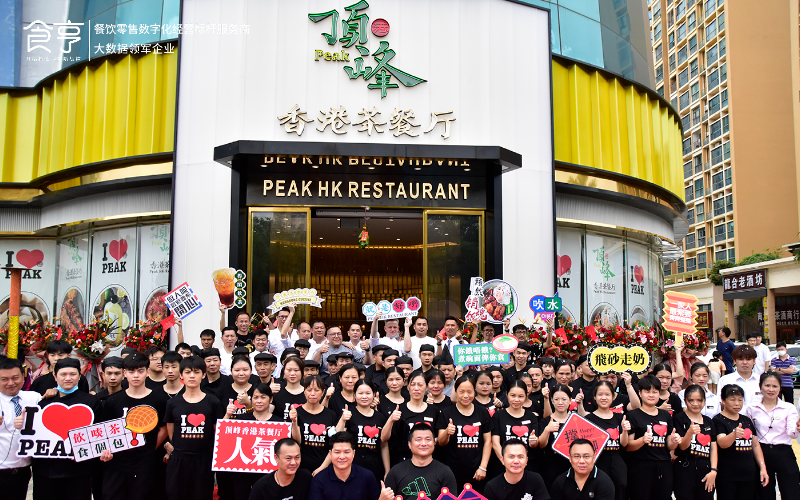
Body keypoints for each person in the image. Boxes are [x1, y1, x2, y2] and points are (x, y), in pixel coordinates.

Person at [28, 358, 100, 500]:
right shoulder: (43, 403)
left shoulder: (91, 402)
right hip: (45, 471)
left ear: (80, 376)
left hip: (79, 471)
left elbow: (97, 435)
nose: (68, 378)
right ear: (55, 376)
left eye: (73, 374)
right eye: (63, 374)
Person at [99, 352, 169, 500]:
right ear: (125, 374)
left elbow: (164, 427)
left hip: (145, 464)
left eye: (140, 371)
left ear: (148, 372)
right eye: (131, 371)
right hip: (117, 463)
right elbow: (105, 430)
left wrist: (149, 446)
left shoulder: (159, 399)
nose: (136, 375)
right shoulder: (113, 401)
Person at [163, 356, 224, 500]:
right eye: (188, 372)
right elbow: (171, 432)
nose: (192, 375)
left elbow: (217, 432)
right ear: (181, 374)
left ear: (203, 375)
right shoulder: (173, 403)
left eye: (196, 372)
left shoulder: (213, 402)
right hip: (178, 459)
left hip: (203, 459)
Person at [624, 374, 680, 500]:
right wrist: (642, 440)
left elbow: (669, 445)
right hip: (641, 468)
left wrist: (674, 441)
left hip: (664, 467)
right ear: (640, 393)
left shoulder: (666, 416)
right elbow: (628, 446)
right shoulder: (632, 415)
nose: (651, 395)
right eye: (647, 391)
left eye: (655, 392)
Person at [749, 371, 800, 500]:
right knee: (764, 492)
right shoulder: (752, 408)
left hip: (783, 452)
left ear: (780, 388)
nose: (771, 389)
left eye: (775, 386)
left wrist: (798, 429)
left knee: (791, 490)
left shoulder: (788, 408)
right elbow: (751, 433)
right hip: (761, 452)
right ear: (760, 386)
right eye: (767, 385)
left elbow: (792, 434)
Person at [436, 375, 492, 492]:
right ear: (455, 392)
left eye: (469, 392)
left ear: (474, 392)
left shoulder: (482, 412)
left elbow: (488, 442)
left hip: (476, 471)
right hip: (452, 472)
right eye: (461, 392)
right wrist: (447, 432)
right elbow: (441, 442)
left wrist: (483, 467)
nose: (465, 396)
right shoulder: (446, 413)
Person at [713, 384, 769, 499]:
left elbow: (755, 446)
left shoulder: (746, 420)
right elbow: (722, 443)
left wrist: (763, 468)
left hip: (748, 474)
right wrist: (734, 434)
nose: (737, 403)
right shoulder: (718, 420)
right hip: (727, 475)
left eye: (740, 400)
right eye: (732, 400)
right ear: (723, 400)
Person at [0, 356, 41, 500]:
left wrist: (54, 391)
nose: (11, 383)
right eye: (4, 379)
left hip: (23, 471)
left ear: (23, 377)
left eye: (15, 377)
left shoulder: (34, 398)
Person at [334, 380, 390, 483]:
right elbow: (337, 438)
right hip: (353, 465)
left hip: (375, 466)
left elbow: (384, 445)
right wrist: (342, 419)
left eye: (368, 393)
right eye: (360, 393)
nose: (364, 396)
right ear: (354, 395)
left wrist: (387, 470)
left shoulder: (380, 417)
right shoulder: (349, 414)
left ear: (374, 394)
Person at [384, 423, 457, 500]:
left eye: (428, 439)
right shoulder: (395, 471)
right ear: (409, 444)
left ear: (434, 443)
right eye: (418, 439)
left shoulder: (445, 472)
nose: (423, 444)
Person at [382, 371, 439, 465]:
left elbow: (439, 439)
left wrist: (426, 442)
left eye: (420, 385)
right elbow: (384, 438)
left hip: (427, 462)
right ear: (408, 387)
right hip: (403, 462)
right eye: (413, 385)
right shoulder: (399, 410)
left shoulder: (434, 411)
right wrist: (391, 420)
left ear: (426, 388)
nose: (416, 388)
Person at [585, 381, 629, 500]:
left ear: (614, 396)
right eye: (600, 394)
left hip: (617, 461)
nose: (603, 397)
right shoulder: (588, 419)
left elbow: (624, 444)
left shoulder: (620, 417)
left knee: (620, 490)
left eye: (607, 394)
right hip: (597, 462)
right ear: (594, 397)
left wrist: (624, 431)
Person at [673, 384, 717, 500]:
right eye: (691, 400)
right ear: (685, 401)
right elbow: (682, 446)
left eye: (699, 400)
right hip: (685, 468)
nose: (695, 403)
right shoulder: (679, 418)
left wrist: (713, 470)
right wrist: (690, 432)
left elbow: (713, 448)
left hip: (705, 469)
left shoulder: (709, 421)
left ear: (704, 401)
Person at [291, 375, 338, 474]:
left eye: (316, 390)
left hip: (325, 468)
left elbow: (333, 445)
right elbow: (297, 441)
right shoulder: (297, 413)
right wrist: (294, 422)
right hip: (301, 468)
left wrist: (322, 468)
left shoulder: (331, 415)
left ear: (323, 392)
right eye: (309, 390)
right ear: (304, 391)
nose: (312, 393)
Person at [491, 380, 539, 475]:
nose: (516, 400)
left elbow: (535, 443)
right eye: (513, 395)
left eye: (521, 396)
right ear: (507, 394)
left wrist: (534, 441)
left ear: (526, 396)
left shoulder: (531, 416)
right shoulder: (498, 416)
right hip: (503, 466)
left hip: (526, 466)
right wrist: (506, 462)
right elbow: (495, 443)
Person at [483, 439, 549, 500]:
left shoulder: (536, 480)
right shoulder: (491, 487)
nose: (516, 461)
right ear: (502, 460)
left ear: (526, 460)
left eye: (520, 457)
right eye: (511, 457)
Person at [550, 439, 615, 500]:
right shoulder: (560, 482)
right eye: (577, 456)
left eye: (586, 456)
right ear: (570, 458)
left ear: (594, 457)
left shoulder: (604, 483)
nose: (581, 461)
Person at [538, 384, 575, 489]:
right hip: (551, 468)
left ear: (570, 400)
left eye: (564, 399)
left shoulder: (575, 420)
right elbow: (541, 445)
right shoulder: (545, 421)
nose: (560, 402)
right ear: (552, 401)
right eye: (556, 399)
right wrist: (547, 430)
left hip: (572, 468)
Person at [717, 345, 760, 415]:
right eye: (741, 359)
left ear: (754, 361)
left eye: (748, 359)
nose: (745, 362)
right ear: (734, 361)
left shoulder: (761, 380)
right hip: (733, 422)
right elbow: (720, 405)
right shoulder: (725, 380)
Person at [273, 356, 306, 421]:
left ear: (302, 372)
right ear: (284, 372)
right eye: (289, 370)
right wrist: (268, 393)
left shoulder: (309, 393)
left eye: (296, 370)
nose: (292, 373)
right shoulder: (276, 392)